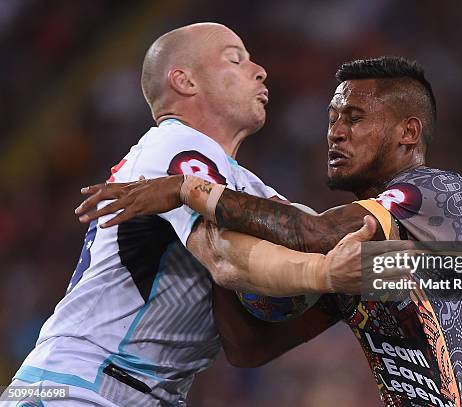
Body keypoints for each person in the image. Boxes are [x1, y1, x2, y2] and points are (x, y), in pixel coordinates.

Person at [76, 57, 462, 406]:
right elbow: (248, 348)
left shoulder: (436, 190)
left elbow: (313, 232)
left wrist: (192, 192)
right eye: (332, 118)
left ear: (408, 133)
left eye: (354, 117)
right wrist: (214, 251)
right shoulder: (355, 266)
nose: (336, 132)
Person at [1, 23, 399, 407]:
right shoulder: (173, 144)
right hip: (78, 384)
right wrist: (329, 274)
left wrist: (417, 270)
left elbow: (249, 341)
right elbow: (225, 258)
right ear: (185, 81)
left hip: (115, 388)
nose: (260, 70)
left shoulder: (241, 186)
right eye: (236, 60)